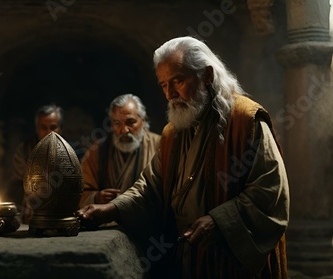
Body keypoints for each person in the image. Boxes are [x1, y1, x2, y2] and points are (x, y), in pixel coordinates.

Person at [76, 36, 289, 279]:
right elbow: (150, 187)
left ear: (207, 76)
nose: (170, 94)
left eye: (178, 81)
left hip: (231, 259)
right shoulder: (173, 133)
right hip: (186, 258)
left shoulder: (245, 120)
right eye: (164, 85)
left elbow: (271, 190)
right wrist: (111, 209)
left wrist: (219, 221)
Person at [79, 94, 161, 208]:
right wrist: (97, 197)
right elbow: (80, 192)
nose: (124, 130)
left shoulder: (159, 145)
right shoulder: (97, 151)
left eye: (130, 122)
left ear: (143, 121)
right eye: (117, 123)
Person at [7, 104, 63, 223]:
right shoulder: (25, 150)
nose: (49, 132)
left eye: (53, 127)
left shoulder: (72, 152)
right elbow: (22, 180)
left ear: (60, 128)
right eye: (43, 127)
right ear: (37, 128)